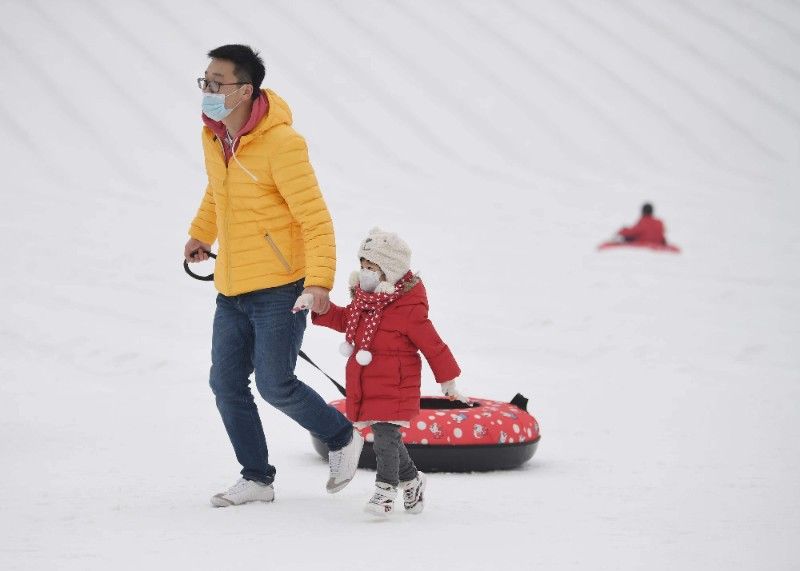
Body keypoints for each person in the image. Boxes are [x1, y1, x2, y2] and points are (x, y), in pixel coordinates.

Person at [184, 44, 363, 508]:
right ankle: (257, 479)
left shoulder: (282, 143)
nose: (206, 90)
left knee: (274, 383)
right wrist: (201, 233)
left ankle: (342, 437)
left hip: (280, 286)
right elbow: (218, 190)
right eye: (204, 80)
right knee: (224, 383)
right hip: (232, 285)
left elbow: (315, 218)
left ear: (244, 90)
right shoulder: (215, 135)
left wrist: (318, 282)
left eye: (216, 83)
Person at [302, 228, 465, 516]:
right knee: (386, 435)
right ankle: (412, 481)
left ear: (389, 270)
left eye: (372, 267)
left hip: (396, 384)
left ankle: (384, 492)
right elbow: (343, 318)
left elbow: (433, 344)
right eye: (362, 266)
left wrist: (448, 380)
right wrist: (318, 305)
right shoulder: (365, 301)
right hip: (368, 382)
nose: (365, 272)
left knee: (385, 438)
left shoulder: (408, 308)